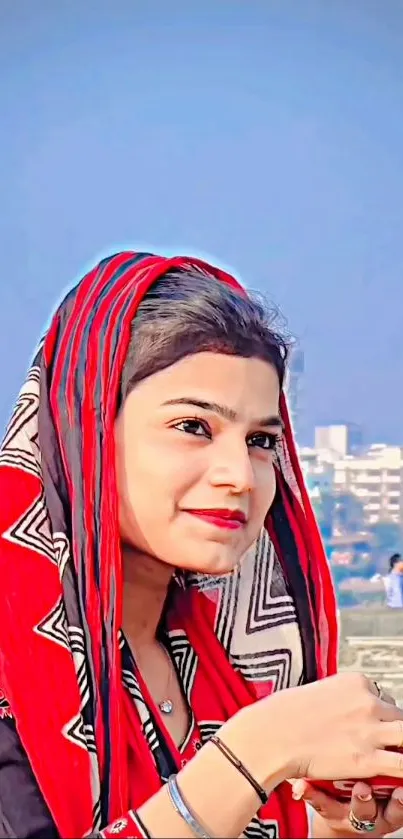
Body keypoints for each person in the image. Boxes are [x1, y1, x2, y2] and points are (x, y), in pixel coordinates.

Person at [1, 251, 403, 839]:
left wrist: (343, 825)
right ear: (83, 435)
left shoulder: (218, 657)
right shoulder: (16, 662)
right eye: (194, 427)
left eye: (263, 439)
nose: (240, 475)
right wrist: (253, 754)